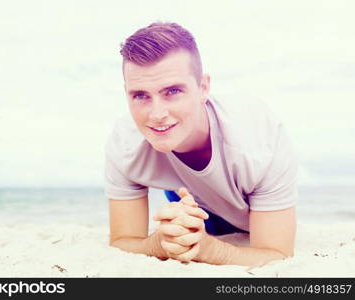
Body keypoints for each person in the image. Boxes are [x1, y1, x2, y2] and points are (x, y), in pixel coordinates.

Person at [104, 22, 298, 267]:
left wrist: (209, 250)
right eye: (140, 95)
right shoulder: (125, 143)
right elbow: (122, 241)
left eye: (172, 91)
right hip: (186, 196)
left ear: (203, 87)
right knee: (181, 211)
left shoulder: (257, 139)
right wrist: (157, 244)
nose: (156, 114)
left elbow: (276, 253)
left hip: (248, 207)